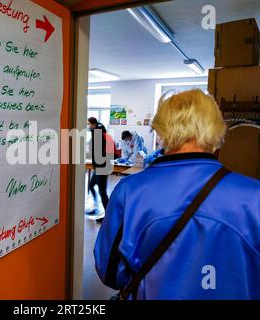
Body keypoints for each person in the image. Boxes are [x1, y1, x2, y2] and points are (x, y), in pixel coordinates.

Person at [94, 90, 260, 299]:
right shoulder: (254, 197)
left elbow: (109, 272)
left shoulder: (131, 191)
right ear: (216, 131)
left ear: (162, 131)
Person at [86, 117, 110, 220]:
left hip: (102, 167)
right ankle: (96, 208)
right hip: (98, 166)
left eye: (89, 124)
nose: (88, 126)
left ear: (93, 124)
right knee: (91, 186)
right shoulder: (97, 132)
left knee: (102, 192)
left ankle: (108, 215)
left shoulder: (98, 133)